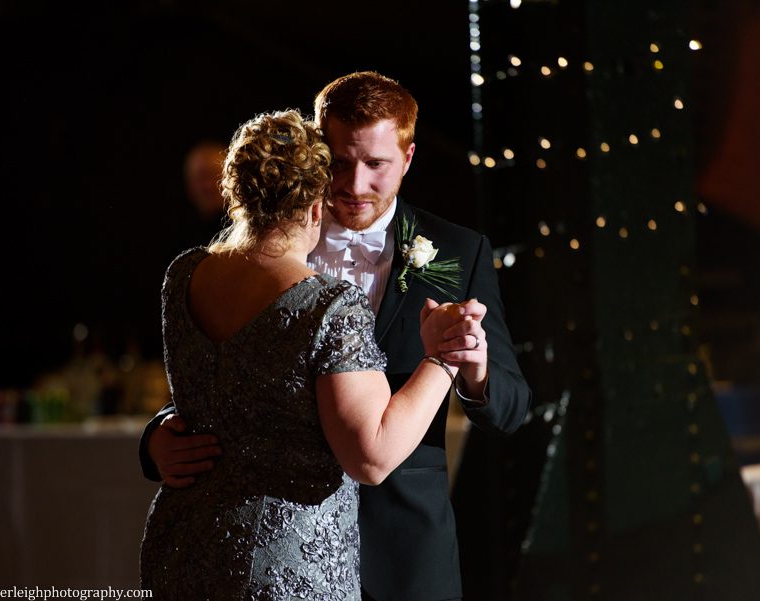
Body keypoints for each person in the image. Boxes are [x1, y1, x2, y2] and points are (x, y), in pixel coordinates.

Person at [140, 72, 532, 600]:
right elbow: (223, 367)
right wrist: (161, 433)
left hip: (404, 547)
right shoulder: (263, 247)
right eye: (340, 162)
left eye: (376, 165)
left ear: (408, 157)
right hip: (282, 543)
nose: (353, 185)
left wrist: (475, 367)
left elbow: (512, 407)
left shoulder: (459, 250)